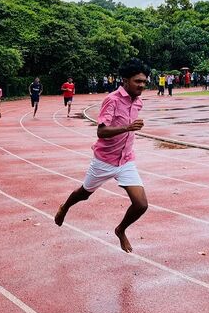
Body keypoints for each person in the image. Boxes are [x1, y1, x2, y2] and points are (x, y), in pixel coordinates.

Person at [54, 58, 150, 253]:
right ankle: (65, 207)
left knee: (141, 204)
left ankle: (120, 230)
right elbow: (101, 131)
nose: (141, 85)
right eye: (137, 81)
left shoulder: (138, 102)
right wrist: (128, 127)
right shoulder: (112, 100)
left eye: (144, 82)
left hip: (126, 160)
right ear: (125, 80)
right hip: (104, 160)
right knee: (84, 194)